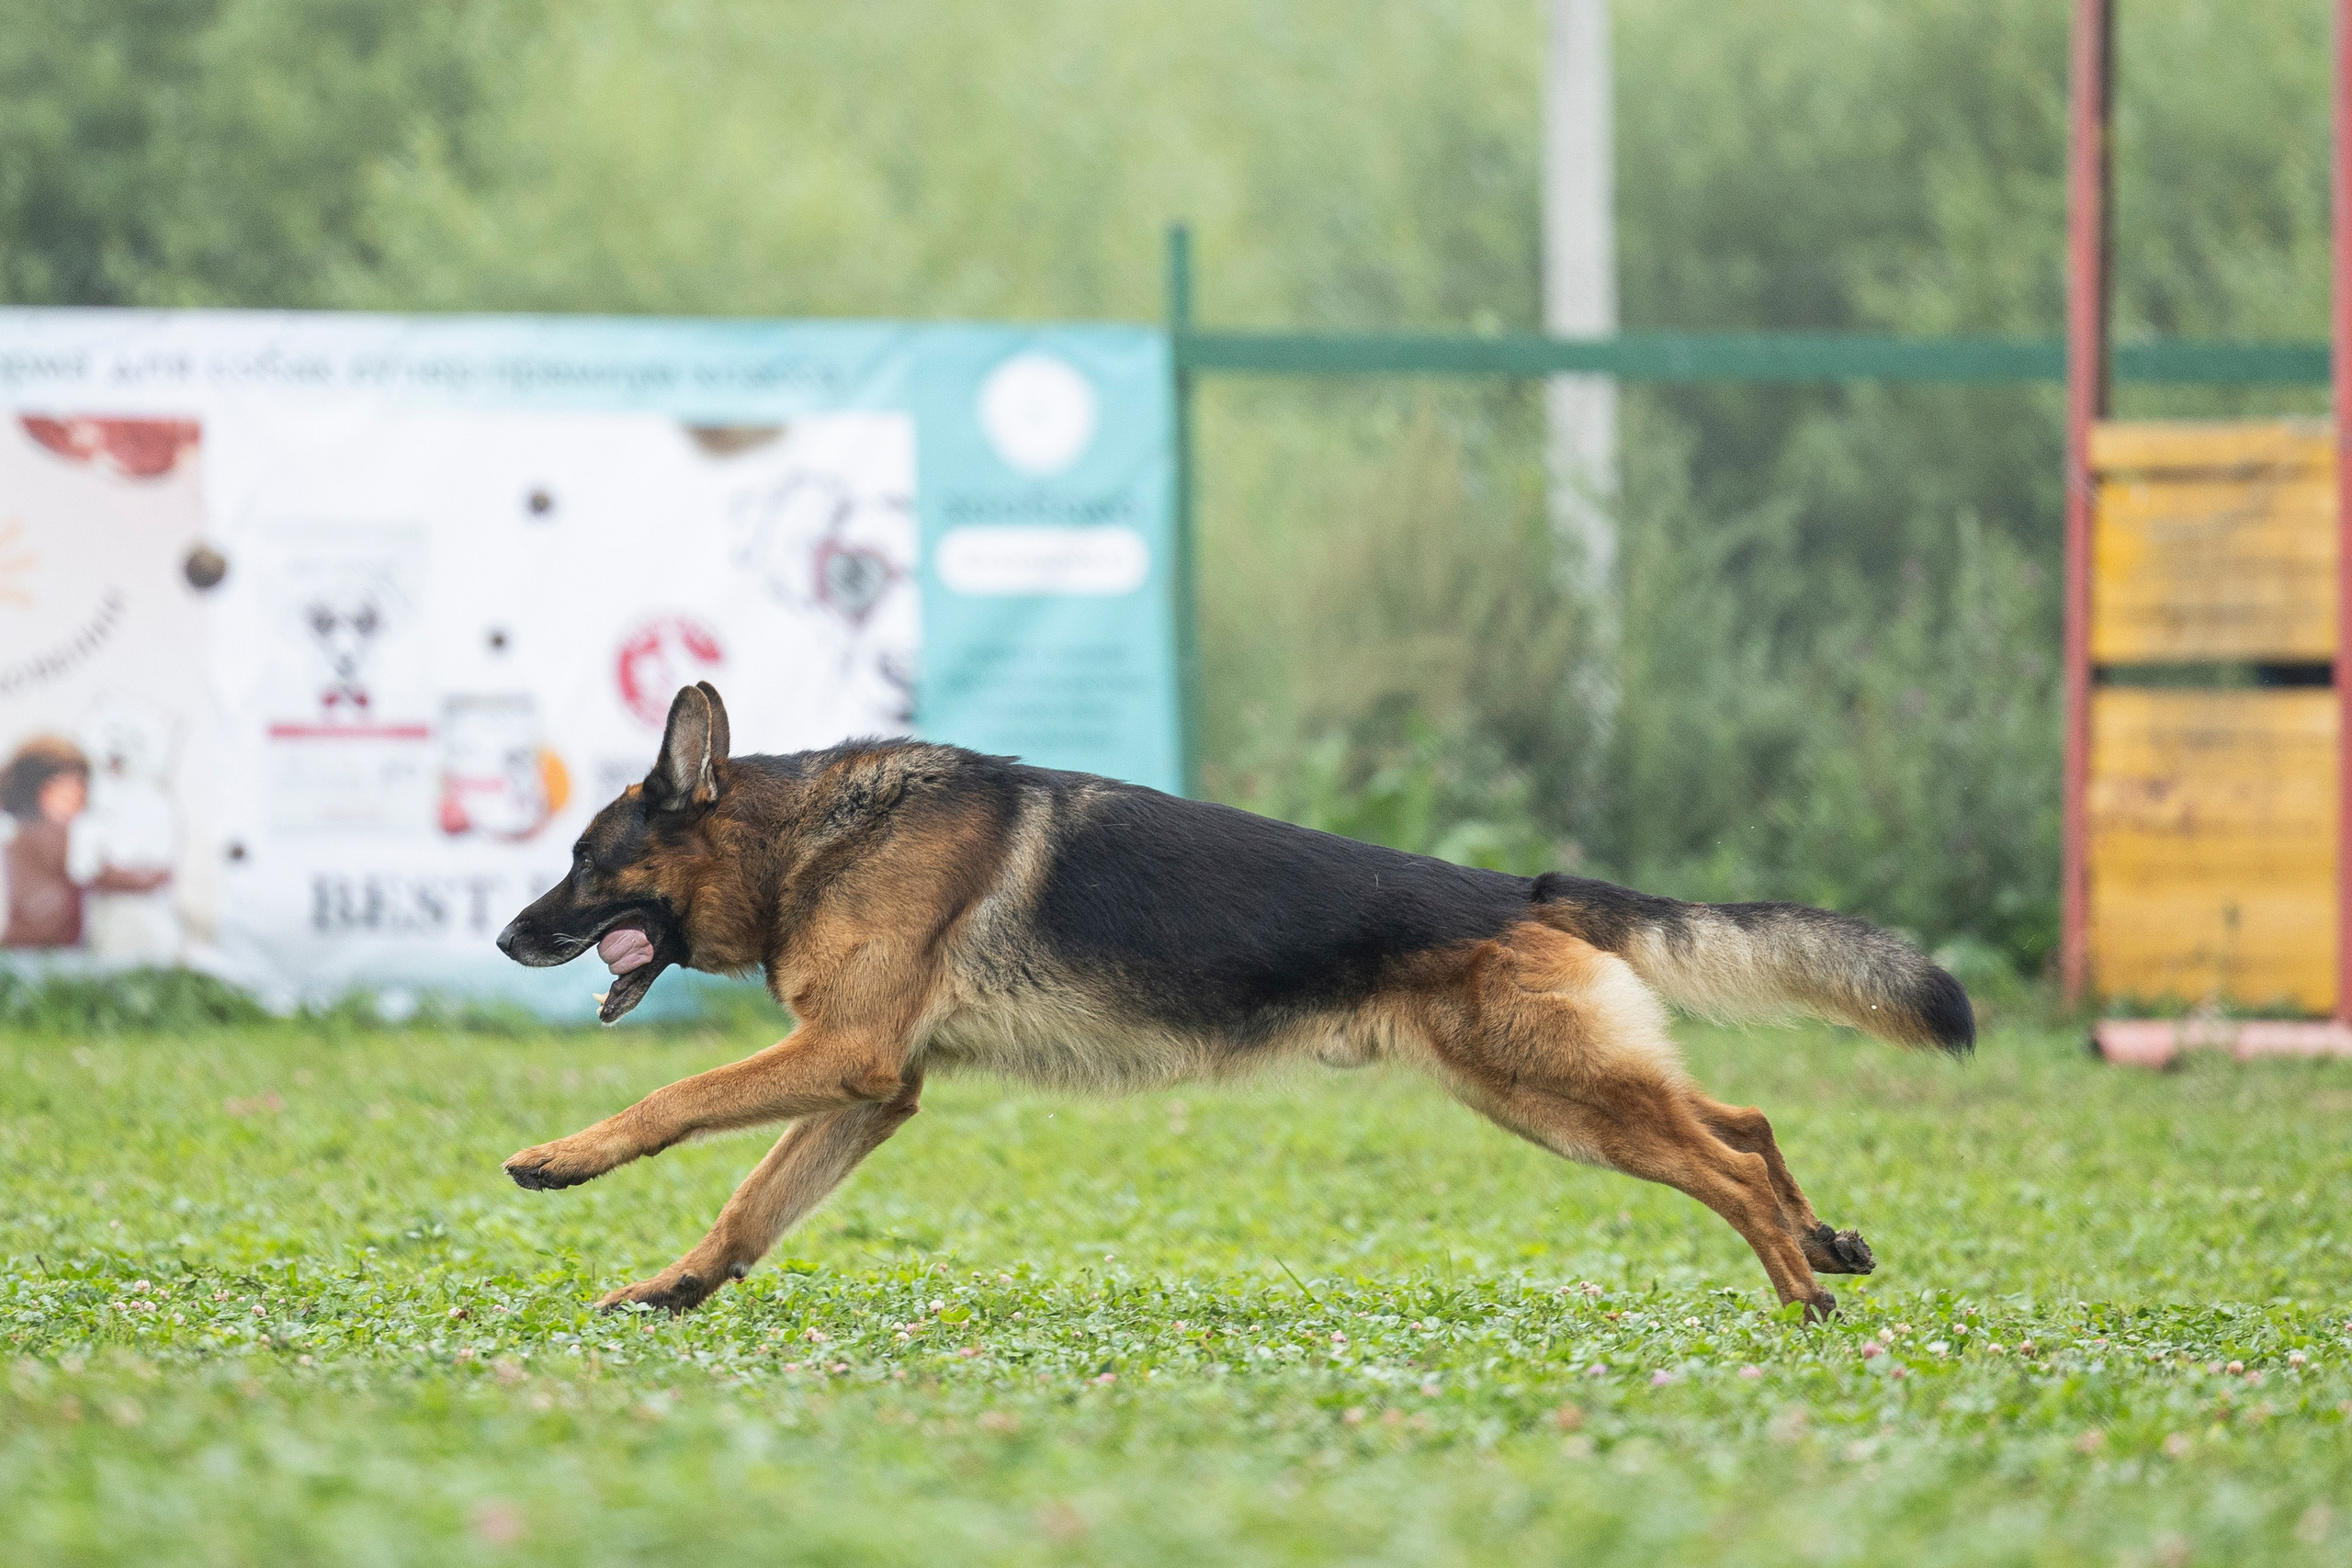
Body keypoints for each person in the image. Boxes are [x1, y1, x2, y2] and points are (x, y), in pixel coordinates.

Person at [0, 737, 169, 949]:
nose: (77, 796)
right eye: (66, 788)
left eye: (81, 786)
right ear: (38, 790)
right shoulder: (47, 835)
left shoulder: (25, 832)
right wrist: (155, 878)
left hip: (43, 943)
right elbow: (97, 874)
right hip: (39, 946)